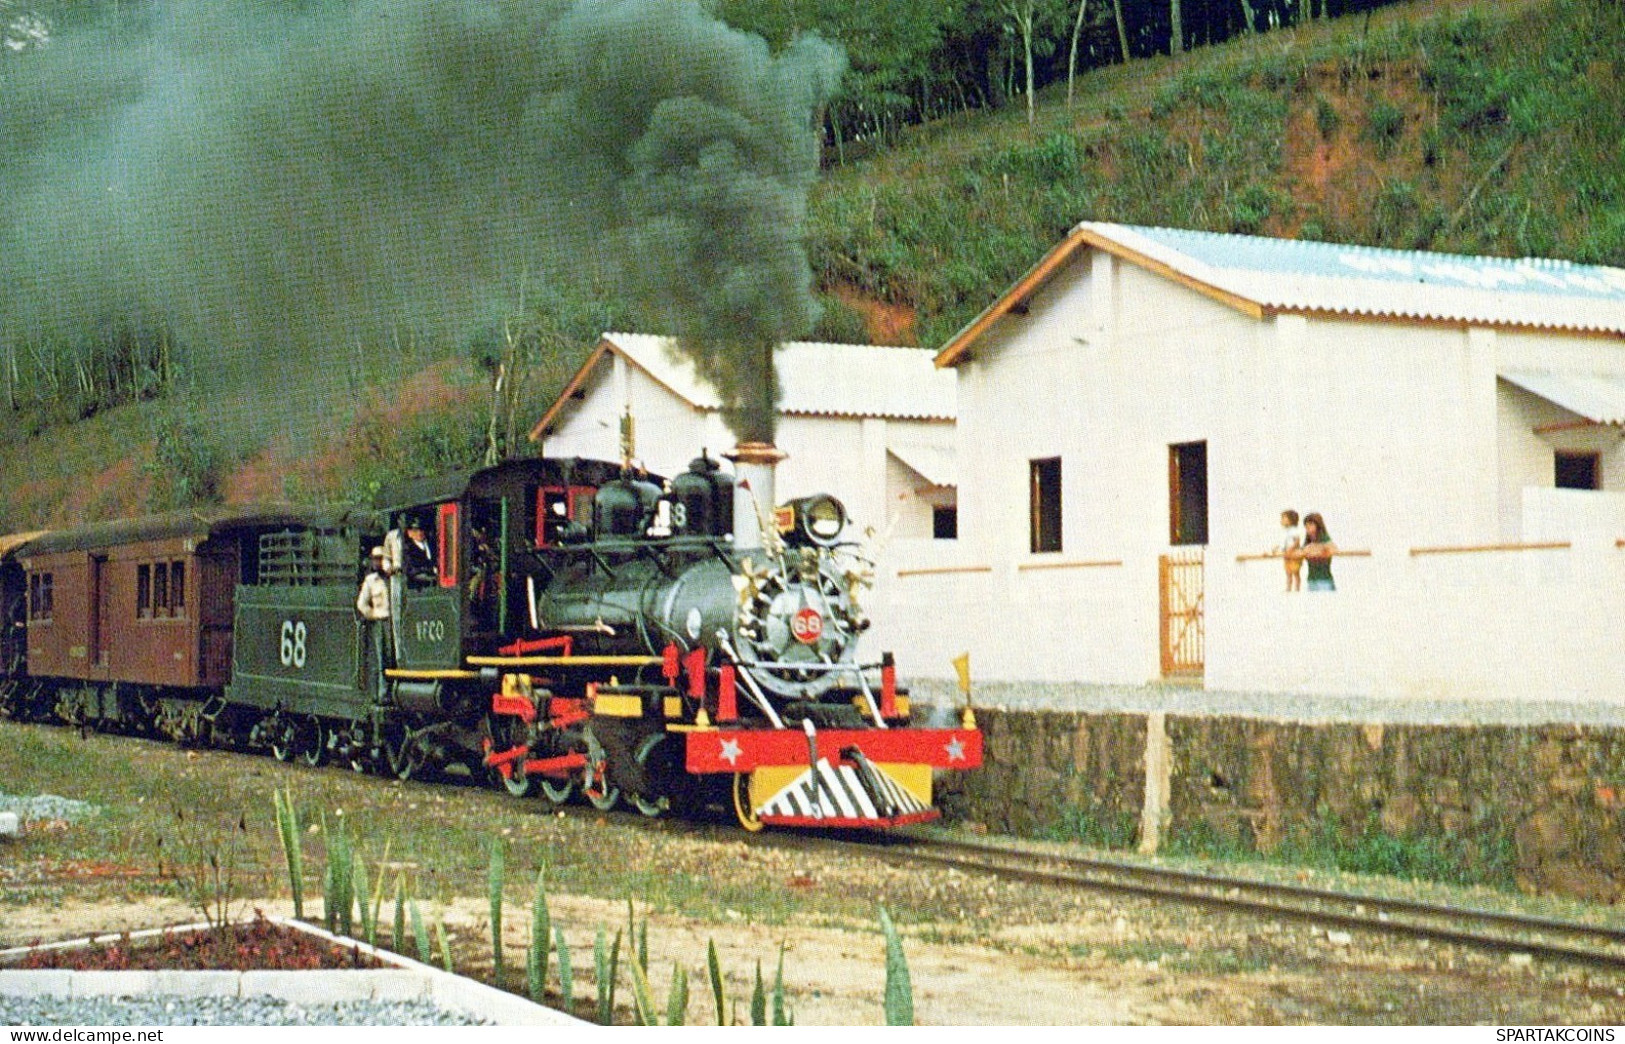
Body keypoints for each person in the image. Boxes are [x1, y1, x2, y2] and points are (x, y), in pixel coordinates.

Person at [356, 546, 393, 699]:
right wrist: (374, 615)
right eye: (375, 559)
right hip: (379, 622)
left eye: (380, 559)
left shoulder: (392, 579)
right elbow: (361, 604)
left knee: (391, 658)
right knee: (381, 659)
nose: (377, 562)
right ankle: (382, 693)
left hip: (393, 622)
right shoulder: (371, 581)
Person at [1300, 512, 1336, 592]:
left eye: (1311, 525)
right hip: (1311, 580)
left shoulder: (1324, 538)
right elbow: (1302, 551)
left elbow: (1333, 548)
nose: (1308, 528)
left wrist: (1318, 549)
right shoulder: (1308, 541)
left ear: (1318, 525)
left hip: (1324, 580)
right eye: (1306, 526)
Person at [401, 517, 435, 587]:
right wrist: (431, 571)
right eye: (415, 530)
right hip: (418, 587)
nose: (419, 533)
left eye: (421, 529)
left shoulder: (432, 545)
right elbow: (411, 570)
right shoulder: (408, 549)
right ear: (409, 533)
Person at [1278, 509, 1304, 592]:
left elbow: (1297, 541)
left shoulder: (1294, 530)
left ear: (1291, 520)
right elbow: (1283, 543)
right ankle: (1288, 588)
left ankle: (1297, 589)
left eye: (1283, 518)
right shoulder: (1285, 531)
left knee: (1295, 572)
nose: (1281, 520)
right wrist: (1277, 548)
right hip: (1287, 554)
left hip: (1294, 554)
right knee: (1288, 572)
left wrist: (1291, 549)